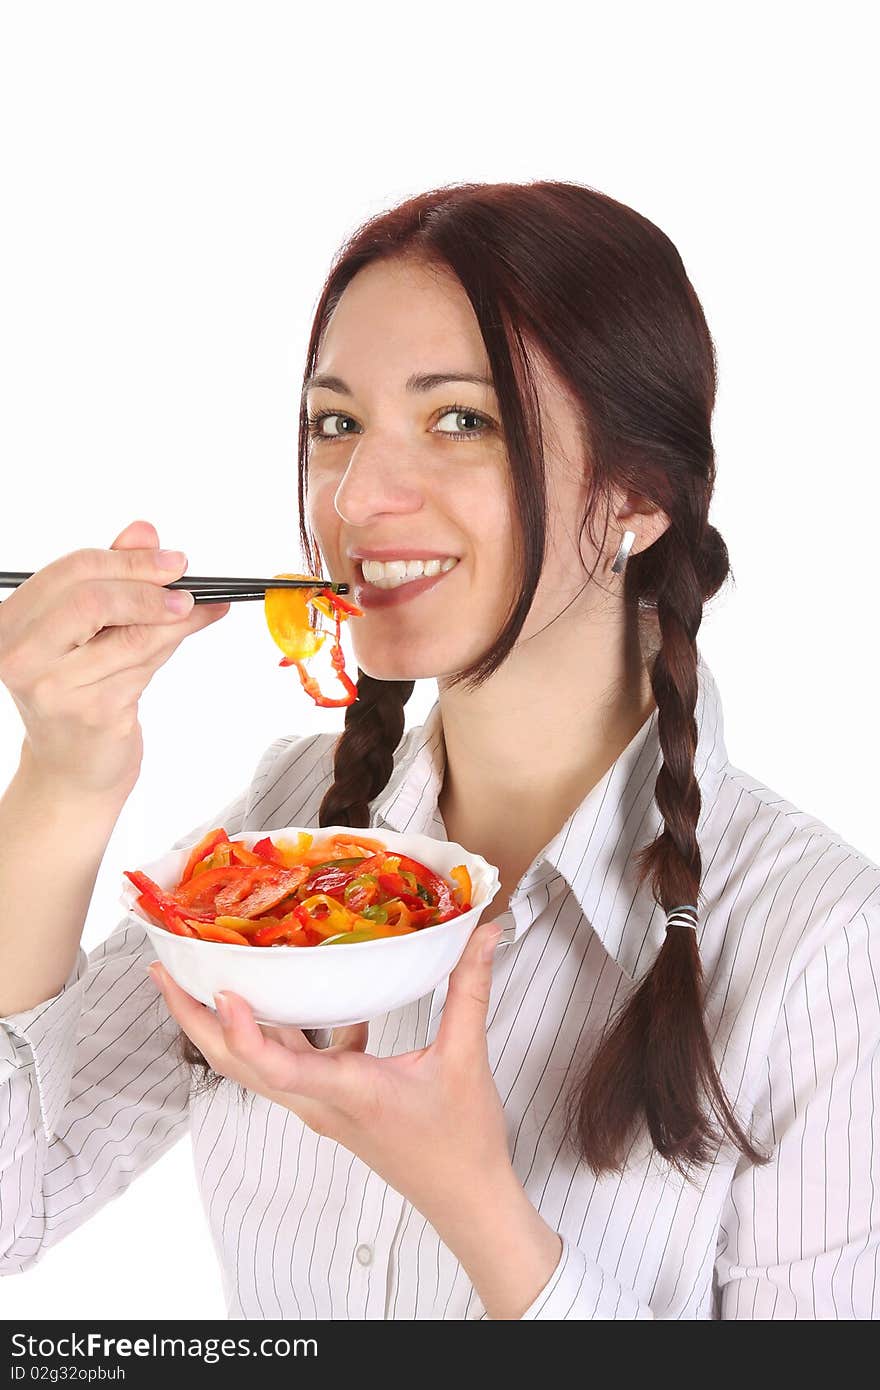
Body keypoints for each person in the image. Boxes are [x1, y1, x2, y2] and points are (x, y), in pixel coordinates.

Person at [1, 180, 877, 1321]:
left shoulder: (822, 946)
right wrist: (64, 780)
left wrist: (476, 1203)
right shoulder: (290, 833)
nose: (357, 495)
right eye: (335, 423)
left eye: (460, 419)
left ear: (637, 493)